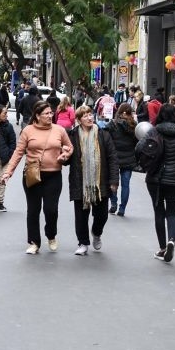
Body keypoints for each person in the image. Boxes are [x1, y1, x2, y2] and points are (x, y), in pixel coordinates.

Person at [1, 100, 73, 255]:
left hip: (53, 175)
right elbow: (18, 152)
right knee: (33, 210)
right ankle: (34, 242)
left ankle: (51, 235)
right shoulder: (28, 130)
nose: (50, 115)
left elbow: (69, 147)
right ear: (37, 116)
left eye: (50, 113)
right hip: (33, 175)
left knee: (51, 209)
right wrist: (8, 172)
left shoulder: (59, 130)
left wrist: (65, 154)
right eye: (46, 113)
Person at [141, 104, 175, 262]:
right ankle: (172, 239)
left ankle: (163, 247)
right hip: (174, 178)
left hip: (155, 179)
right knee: (172, 213)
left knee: (159, 211)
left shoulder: (154, 131)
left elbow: (141, 149)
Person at [66, 105, 119, 256]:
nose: (89, 118)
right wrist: (63, 156)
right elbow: (66, 158)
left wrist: (114, 180)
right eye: (85, 116)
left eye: (90, 114)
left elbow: (113, 158)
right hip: (80, 181)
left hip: (100, 181)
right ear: (78, 120)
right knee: (81, 215)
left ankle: (96, 232)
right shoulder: (73, 135)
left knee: (102, 214)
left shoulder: (103, 134)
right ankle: (83, 243)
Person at [108, 103, 139, 216]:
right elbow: (138, 142)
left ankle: (113, 204)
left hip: (114, 159)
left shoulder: (113, 124)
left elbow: (107, 140)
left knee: (113, 182)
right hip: (129, 158)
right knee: (126, 185)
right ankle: (122, 209)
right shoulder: (134, 126)